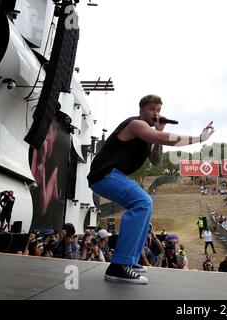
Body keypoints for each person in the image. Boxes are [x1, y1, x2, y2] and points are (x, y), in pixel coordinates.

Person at [87, 94, 214, 284]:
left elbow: (155, 160)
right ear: (141, 110)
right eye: (152, 109)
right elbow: (162, 137)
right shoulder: (135, 124)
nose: (156, 113)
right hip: (104, 174)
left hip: (112, 175)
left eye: (159, 110)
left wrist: (159, 130)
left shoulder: (148, 134)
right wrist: (198, 138)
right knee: (143, 202)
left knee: (146, 205)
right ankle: (118, 266)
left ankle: (130, 260)